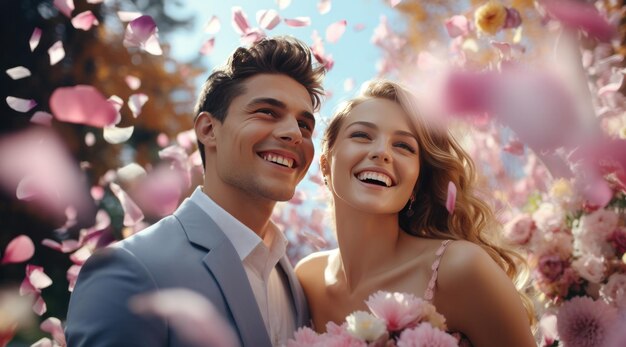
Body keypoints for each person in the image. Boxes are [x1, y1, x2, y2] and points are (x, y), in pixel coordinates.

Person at [66, 36, 325, 347]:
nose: (293, 134)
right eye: (268, 112)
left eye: (305, 125)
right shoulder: (131, 268)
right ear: (208, 129)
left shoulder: (295, 285)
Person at [295, 80, 536, 347]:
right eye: (362, 135)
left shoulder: (461, 268)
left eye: (404, 146)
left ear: (416, 184)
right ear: (326, 164)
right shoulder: (306, 278)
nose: (381, 152)